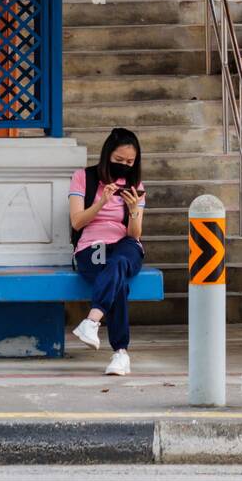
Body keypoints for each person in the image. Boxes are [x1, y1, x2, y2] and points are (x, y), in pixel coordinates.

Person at [69, 128, 146, 376]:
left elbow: (134, 234)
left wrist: (133, 210)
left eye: (130, 162)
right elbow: (77, 222)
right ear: (107, 155)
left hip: (124, 243)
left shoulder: (136, 186)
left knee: (120, 260)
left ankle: (92, 321)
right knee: (118, 281)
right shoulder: (83, 177)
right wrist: (101, 202)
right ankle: (120, 353)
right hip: (92, 245)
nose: (124, 166)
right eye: (119, 160)